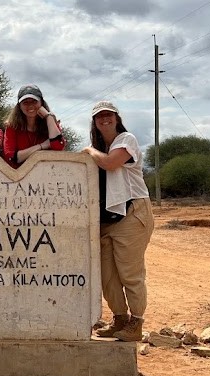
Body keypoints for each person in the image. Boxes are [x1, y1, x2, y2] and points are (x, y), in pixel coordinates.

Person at [81, 101, 154, 342]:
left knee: (130, 272)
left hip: (132, 212)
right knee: (108, 275)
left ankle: (136, 322)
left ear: (116, 117)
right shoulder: (101, 146)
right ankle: (119, 318)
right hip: (106, 218)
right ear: (95, 121)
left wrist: (90, 152)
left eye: (108, 115)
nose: (104, 119)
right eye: (99, 116)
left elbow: (111, 163)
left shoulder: (126, 140)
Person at [2, 84, 65, 167]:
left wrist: (49, 116)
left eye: (34, 101)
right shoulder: (12, 127)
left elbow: (59, 146)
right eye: (25, 103)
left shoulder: (50, 124)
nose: (30, 105)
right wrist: (42, 146)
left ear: (41, 103)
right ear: (19, 106)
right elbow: (11, 157)